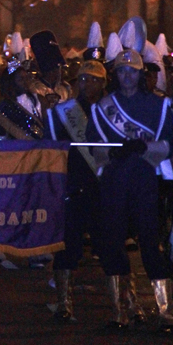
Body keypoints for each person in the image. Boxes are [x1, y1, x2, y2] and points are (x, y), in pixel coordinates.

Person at [87, 49, 173, 331]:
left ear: (141, 74)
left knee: (151, 242)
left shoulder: (159, 106)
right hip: (114, 181)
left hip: (144, 180)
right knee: (113, 241)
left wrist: (147, 147)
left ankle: (165, 311)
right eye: (122, 70)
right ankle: (121, 309)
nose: (127, 75)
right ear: (115, 74)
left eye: (133, 70)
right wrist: (113, 154)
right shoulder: (103, 106)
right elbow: (94, 145)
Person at [46, 60, 107, 321]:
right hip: (73, 184)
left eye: (93, 79)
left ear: (103, 83)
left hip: (104, 186)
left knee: (109, 245)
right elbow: (52, 146)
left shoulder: (110, 110)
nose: (87, 84)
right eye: (82, 79)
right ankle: (63, 303)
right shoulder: (64, 111)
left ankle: (125, 304)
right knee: (67, 245)